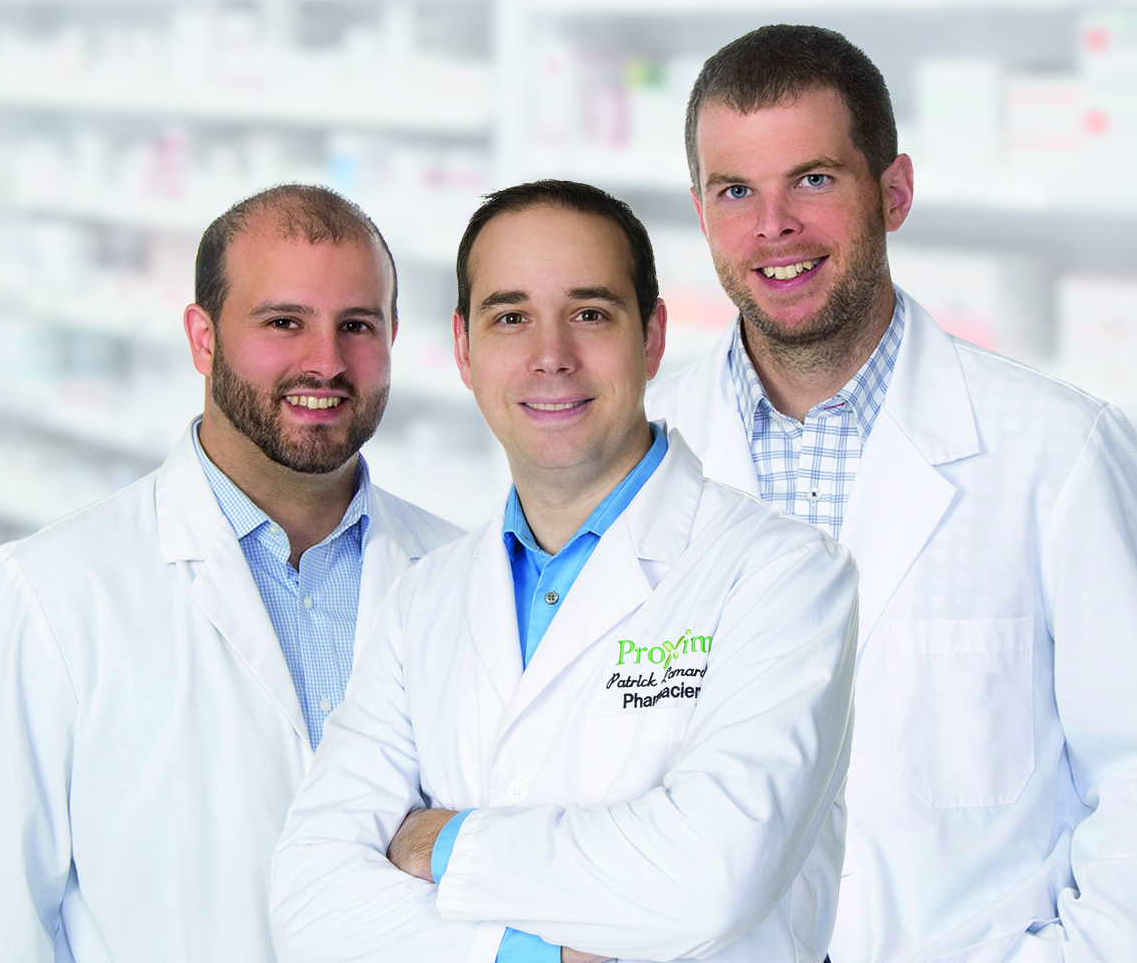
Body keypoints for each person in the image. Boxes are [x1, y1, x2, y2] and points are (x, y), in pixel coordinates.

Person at [645, 23, 1137, 963]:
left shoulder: (1056, 453)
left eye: (813, 180)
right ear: (702, 213)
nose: (772, 225)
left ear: (894, 192)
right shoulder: (640, 458)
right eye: (735, 190)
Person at [270, 179, 858, 963]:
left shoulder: (785, 576)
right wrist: (530, 956)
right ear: (464, 349)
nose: (550, 356)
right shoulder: (423, 598)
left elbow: (711, 877)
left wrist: (440, 843)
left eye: (589, 313)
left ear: (652, 337)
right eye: (510, 317)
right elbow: (309, 904)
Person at [0, 184, 463, 963]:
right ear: (202, 339)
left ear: (391, 336)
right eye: (283, 322)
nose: (325, 361)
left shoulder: (464, 578)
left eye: (355, 325)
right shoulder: (46, 595)